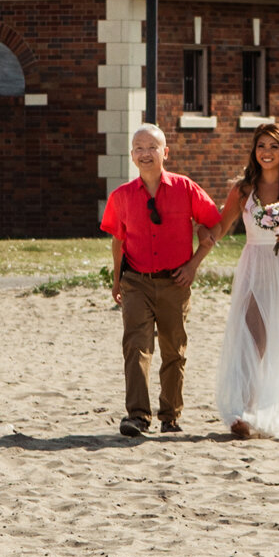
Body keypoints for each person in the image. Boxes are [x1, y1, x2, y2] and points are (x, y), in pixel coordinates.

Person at [101, 123, 221, 437]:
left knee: (174, 350)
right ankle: (137, 416)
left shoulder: (186, 188)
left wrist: (194, 265)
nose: (145, 153)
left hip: (175, 283)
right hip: (136, 282)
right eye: (139, 148)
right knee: (136, 346)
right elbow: (118, 240)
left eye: (151, 147)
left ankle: (170, 417)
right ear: (131, 155)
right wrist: (117, 281)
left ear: (164, 152)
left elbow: (213, 227)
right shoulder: (122, 196)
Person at [212, 120, 279, 440]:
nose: (266, 152)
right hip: (254, 265)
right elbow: (221, 226)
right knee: (254, 339)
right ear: (254, 151)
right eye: (261, 146)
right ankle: (246, 408)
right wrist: (195, 243)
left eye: (273, 146)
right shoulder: (243, 189)